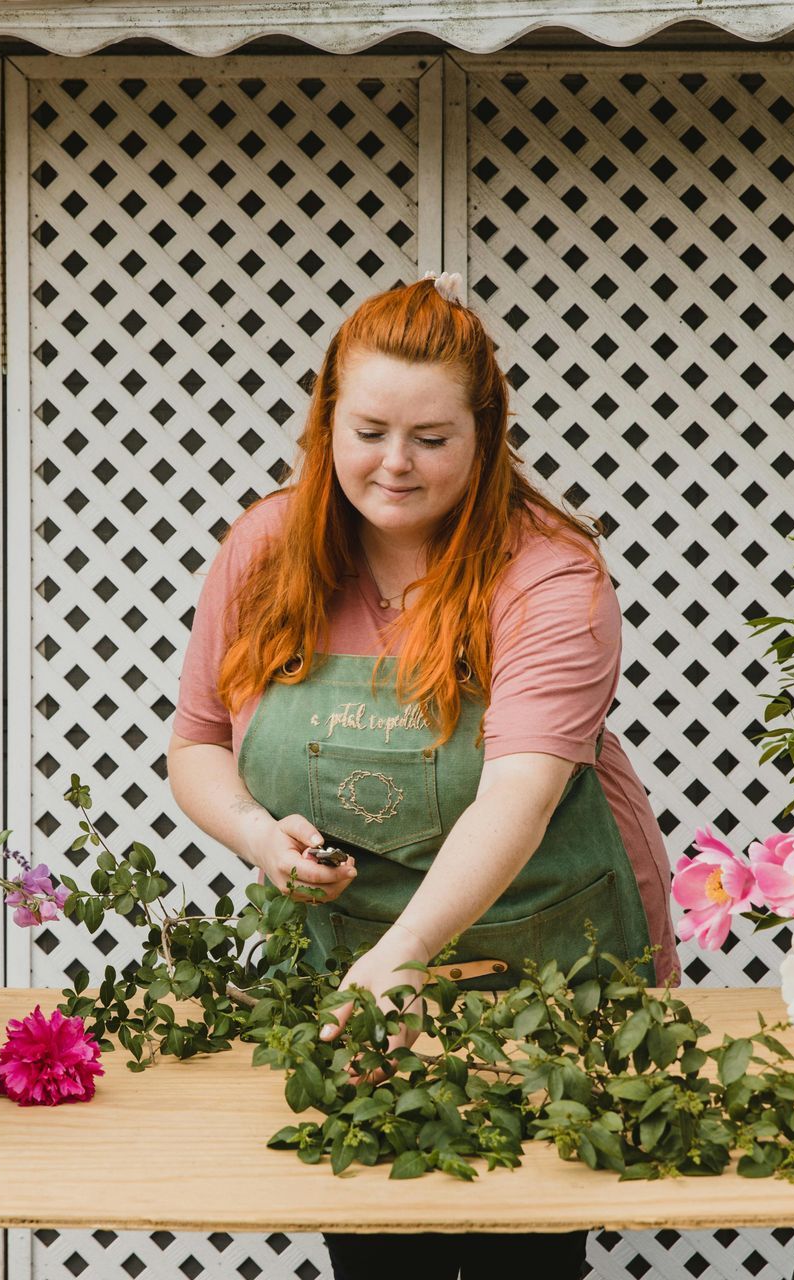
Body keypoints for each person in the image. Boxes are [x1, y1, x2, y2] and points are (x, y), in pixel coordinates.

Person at [166, 273, 678, 1280]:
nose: (394, 463)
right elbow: (198, 743)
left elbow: (518, 800)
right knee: (377, 1250)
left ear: (485, 434)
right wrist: (260, 835)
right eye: (368, 430)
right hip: (354, 970)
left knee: (521, 1256)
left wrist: (403, 953)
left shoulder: (550, 574)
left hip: (549, 972)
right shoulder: (266, 546)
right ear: (326, 421)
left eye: (432, 438)